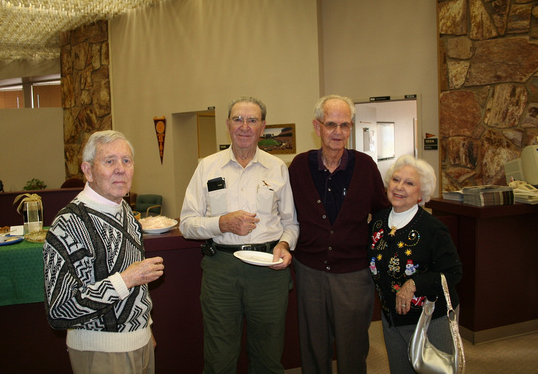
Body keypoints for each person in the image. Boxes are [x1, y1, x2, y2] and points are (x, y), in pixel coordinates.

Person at [179, 96, 299, 374]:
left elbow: (291, 224)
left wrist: (284, 244)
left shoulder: (278, 168)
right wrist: (221, 223)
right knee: (219, 356)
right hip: (221, 269)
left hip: (269, 270)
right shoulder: (207, 167)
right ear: (227, 124)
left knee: (268, 356)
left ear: (263, 127)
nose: (244, 126)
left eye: (252, 120)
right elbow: (187, 223)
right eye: (238, 119)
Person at [43, 130, 165, 374]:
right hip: (101, 353)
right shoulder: (68, 224)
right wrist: (126, 280)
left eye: (126, 161)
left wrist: (146, 328)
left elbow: (137, 288)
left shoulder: (125, 211)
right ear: (87, 171)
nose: (120, 168)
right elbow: (59, 310)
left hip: (140, 344)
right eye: (109, 161)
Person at [288, 94, 390, 374]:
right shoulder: (299, 166)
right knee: (313, 346)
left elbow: (382, 215)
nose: (337, 132)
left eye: (344, 125)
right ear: (317, 126)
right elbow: (285, 213)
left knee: (353, 347)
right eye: (331, 124)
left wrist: (372, 250)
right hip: (309, 271)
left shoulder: (366, 166)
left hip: (354, 274)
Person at [368, 155, 462, 373]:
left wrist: (414, 284)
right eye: (396, 180)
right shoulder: (379, 221)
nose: (399, 187)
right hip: (392, 319)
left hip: (430, 318)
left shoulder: (432, 229)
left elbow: (454, 273)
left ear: (421, 193)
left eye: (409, 183)